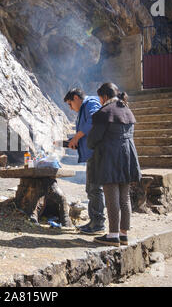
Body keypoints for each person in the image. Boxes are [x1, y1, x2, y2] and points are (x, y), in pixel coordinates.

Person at [86, 83, 141, 247]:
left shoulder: (104, 113)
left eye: (99, 98)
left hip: (110, 157)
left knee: (112, 197)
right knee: (125, 197)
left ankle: (112, 235)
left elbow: (93, 140)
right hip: (128, 156)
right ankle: (123, 234)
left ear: (103, 97)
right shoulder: (127, 110)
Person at [63, 88, 106, 235]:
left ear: (76, 98)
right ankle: (94, 222)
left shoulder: (90, 103)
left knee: (95, 189)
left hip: (97, 152)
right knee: (91, 189)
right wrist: (74, 140)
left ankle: (98, 224)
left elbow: (94, 120)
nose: (70, 108)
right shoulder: (84, 107)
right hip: (92, 153)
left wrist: (77, 137)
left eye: (70, 104)